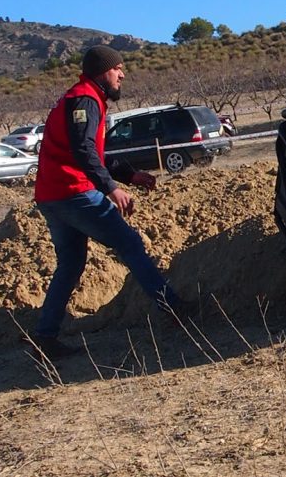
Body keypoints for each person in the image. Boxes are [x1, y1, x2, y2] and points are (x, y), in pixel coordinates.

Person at [31, 45, 188, 360]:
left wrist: (130, 176)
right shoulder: (85, 100)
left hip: (53, 195)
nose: (122, 74)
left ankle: (44, 337)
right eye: (118, 68)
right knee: (130, 243)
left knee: (71, 264)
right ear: (103, 71)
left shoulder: (84, 98)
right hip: (73, 192)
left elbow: (95, 154)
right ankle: (174, 310)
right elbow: (84, 151)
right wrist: (111, 189)